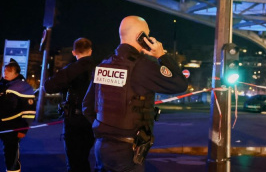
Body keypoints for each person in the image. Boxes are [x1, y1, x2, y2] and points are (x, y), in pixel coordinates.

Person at [82, 15, 188, 172]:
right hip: (128, 150)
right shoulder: (142, 67)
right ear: (141, 37)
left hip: (101, 146)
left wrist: (106, 130)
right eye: (147, 34)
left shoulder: (104, 64)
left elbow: (87, 106)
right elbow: (180, 84)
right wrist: (161, 55)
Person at [45, 38, 96, 172]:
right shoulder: (101, 68)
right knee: (90, 158)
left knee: (75, 161)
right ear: (90, 51)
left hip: (75, 122)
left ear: (74, 52)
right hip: (97, 120)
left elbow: (49, 86)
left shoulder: (72, 69)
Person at [0, 59, 36, 172]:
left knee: (11, 153)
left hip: (13, 126)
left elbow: (29, 112)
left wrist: (23, 129)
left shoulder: (24, 87)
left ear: (16, 73)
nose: (5, 73)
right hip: (1, 124)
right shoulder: (2, 85)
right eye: (4, 71)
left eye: (9, 71)